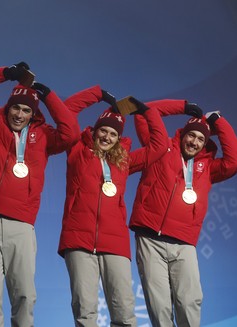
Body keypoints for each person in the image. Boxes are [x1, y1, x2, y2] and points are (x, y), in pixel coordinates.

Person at [0, 62, 79, 327]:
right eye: (15, 107)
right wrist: (4, 74)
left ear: (33, 114)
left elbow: (71, 133)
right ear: (7, 107)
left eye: (26, 110)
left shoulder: (44, 136)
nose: (19, 115)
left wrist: (49, 96)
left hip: (22, 225)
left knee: (24, 294)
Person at [58, 87, 169, 326]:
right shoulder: (77, 150)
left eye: (113, 134)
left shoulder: (125, 161)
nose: (107, 137)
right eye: (103, 131)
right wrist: (97, 94)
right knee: (85, 313)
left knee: (124, 314)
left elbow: (160, 145)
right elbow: (66, 111)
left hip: (115, 243)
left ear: (119, 138)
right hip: (78, 241)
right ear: (95, 131)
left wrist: (146, 111)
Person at [129, 100, 237, 326]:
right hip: (150, 238)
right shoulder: (160, 147)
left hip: (184, 242)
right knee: (159, 306)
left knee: (189, 302)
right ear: (183, 134)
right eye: (191, 136)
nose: (194, 142)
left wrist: (217, 121)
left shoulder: (208, 168)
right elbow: (142, 114)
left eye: (201, 139)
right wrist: (182, 106)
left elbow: (233, 161)